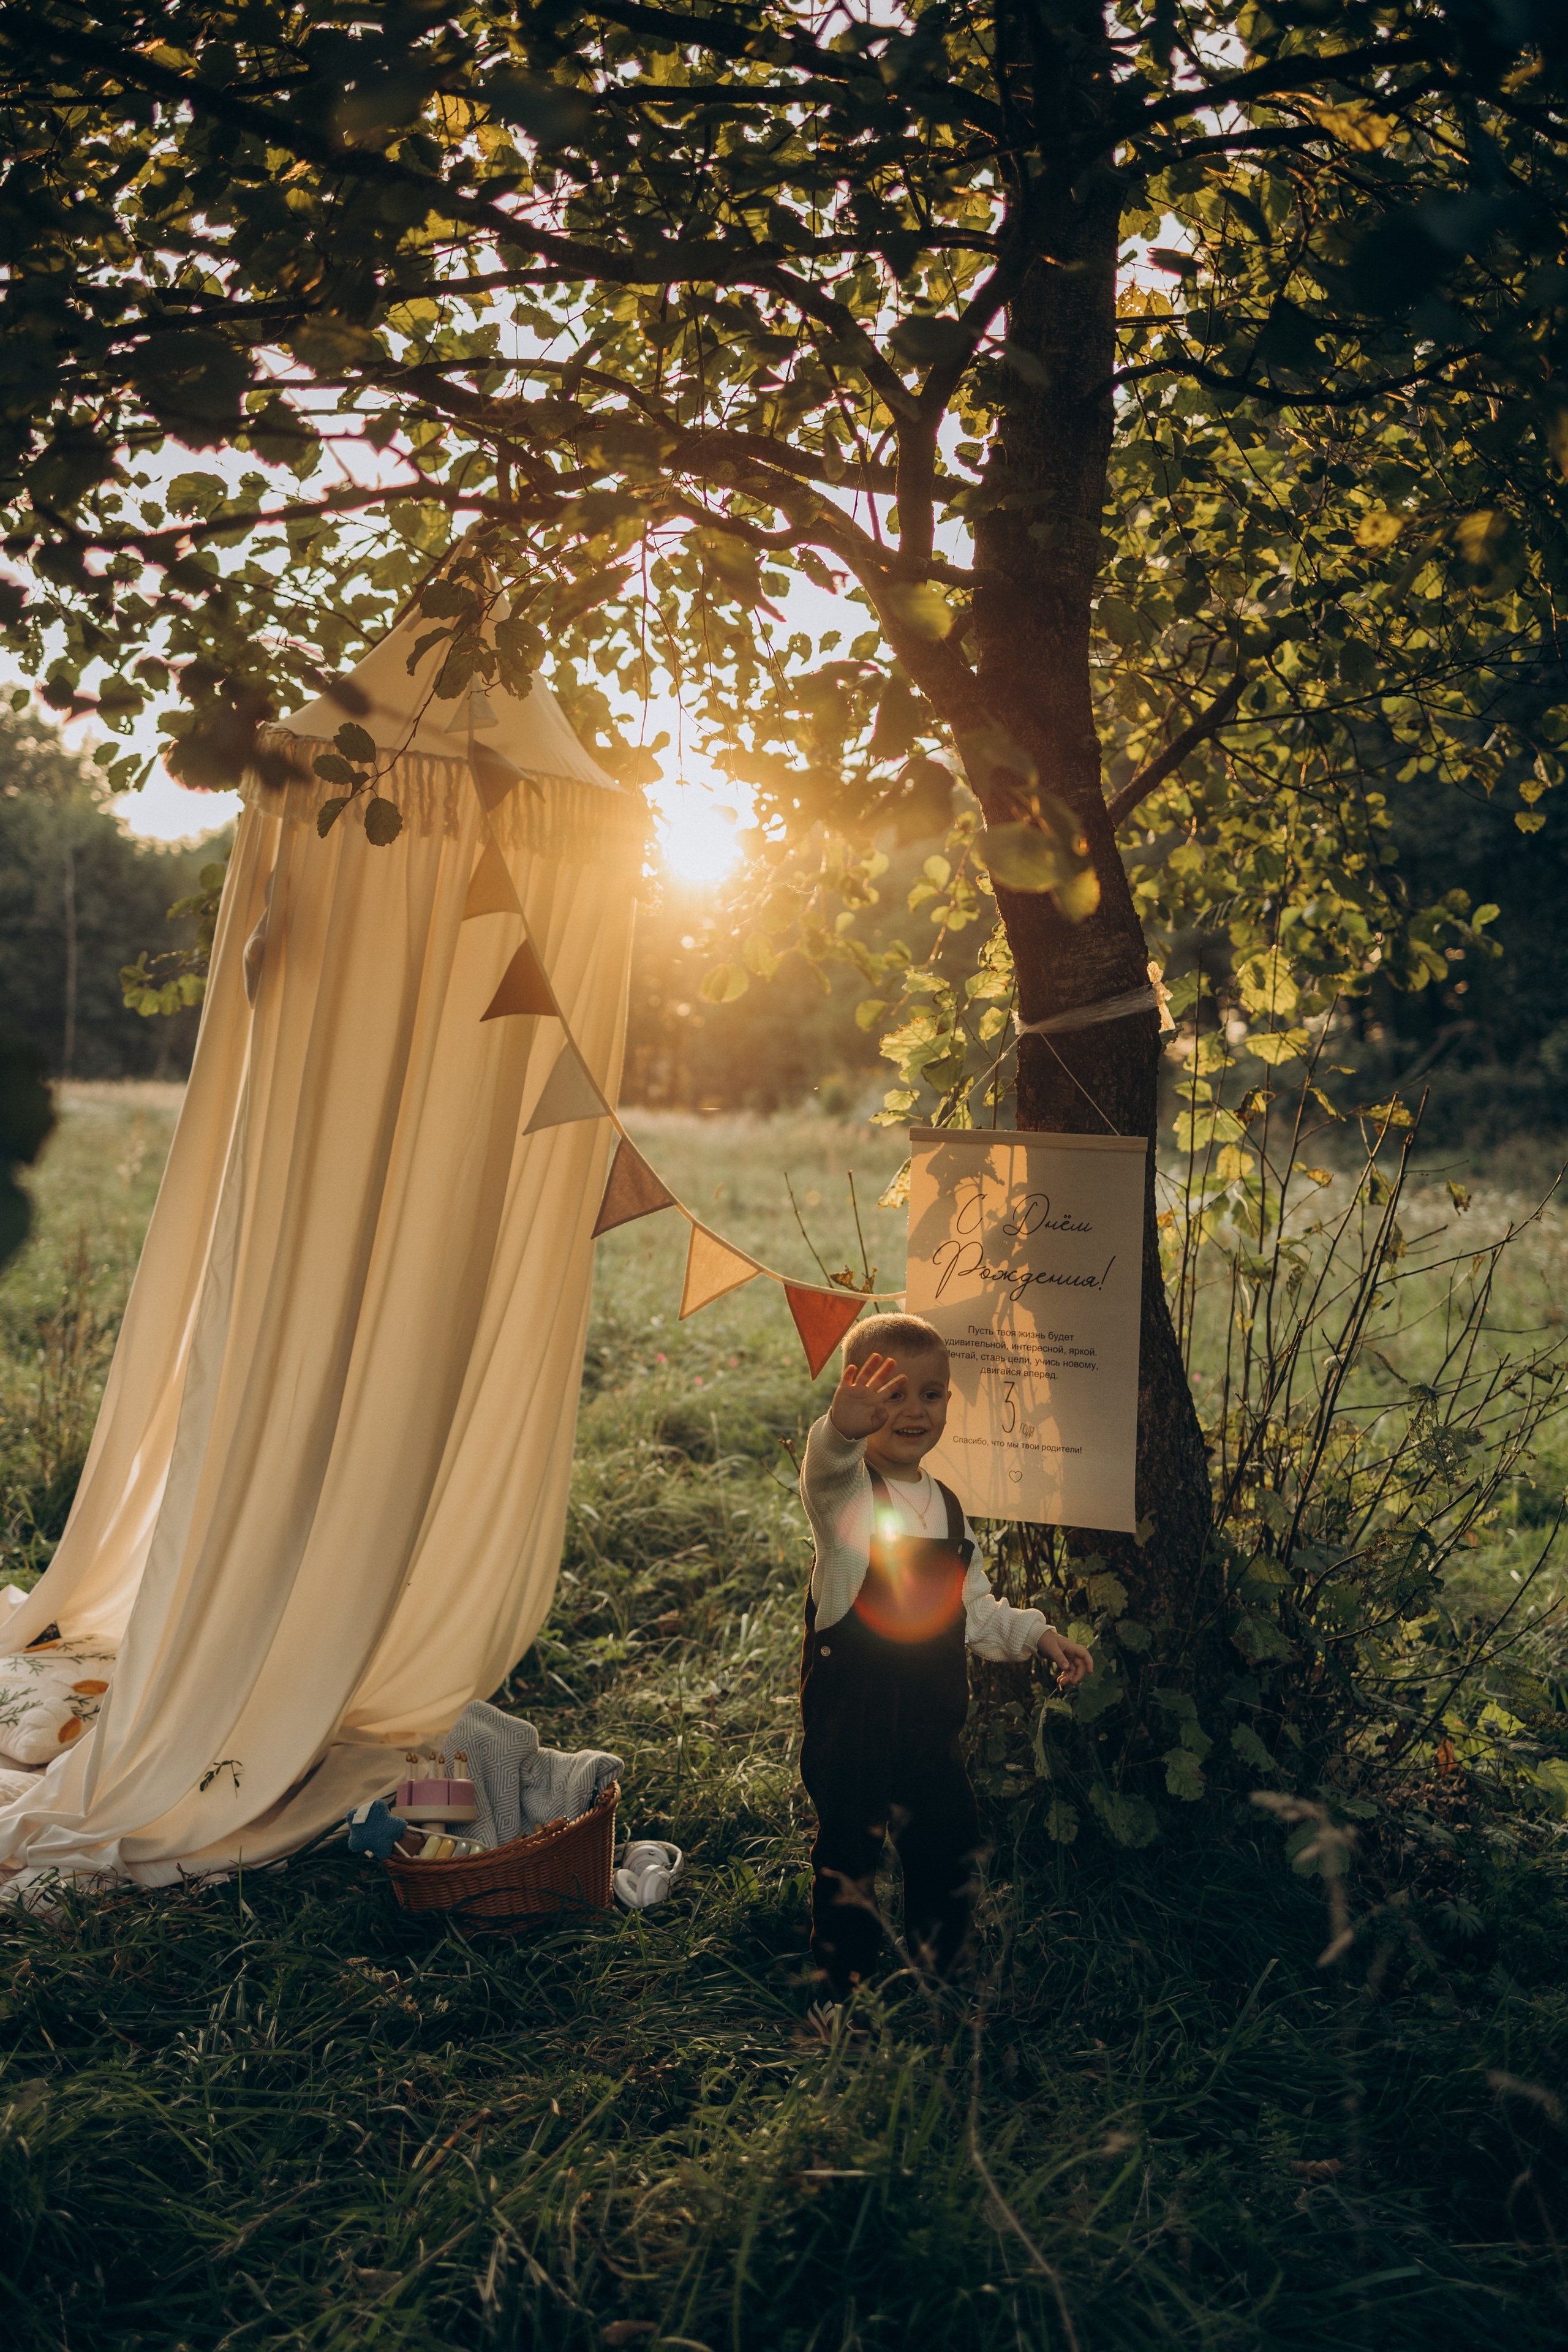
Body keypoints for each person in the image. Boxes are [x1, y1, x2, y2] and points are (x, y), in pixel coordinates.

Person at [797, 1312, 1093, 2004]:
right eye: (892, 1395)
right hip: (853, 1730)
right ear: (859, 1398)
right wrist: (840, 1429)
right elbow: (827, 1467)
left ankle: (947, 1968)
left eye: (930, 1395)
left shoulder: (950, 1512)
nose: (913, 1410)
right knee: (850, 1854)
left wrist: (1036, 1635)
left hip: (930, 1730)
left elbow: (974, 1610)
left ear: (948, 1404)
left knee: (947, 1842)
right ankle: (842, 1987)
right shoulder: (845, 1497)